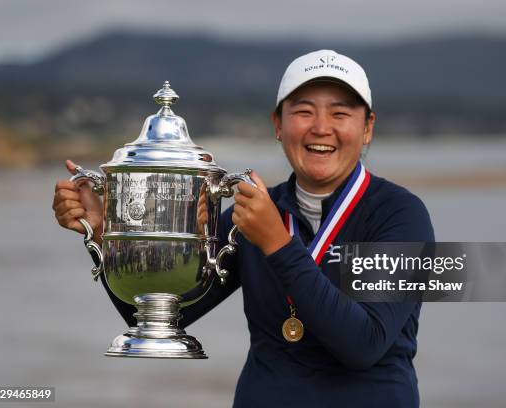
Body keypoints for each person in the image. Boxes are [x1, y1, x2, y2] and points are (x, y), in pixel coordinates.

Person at [53, 49, 434, 407]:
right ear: (278, 125)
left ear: (367, 128)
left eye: (340, 114)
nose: (321, 128)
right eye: (303, 112)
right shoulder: (254, 213)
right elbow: (160, 314)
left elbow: (364, 344)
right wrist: (107, 235)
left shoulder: (401, 215)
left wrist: (277, 244)